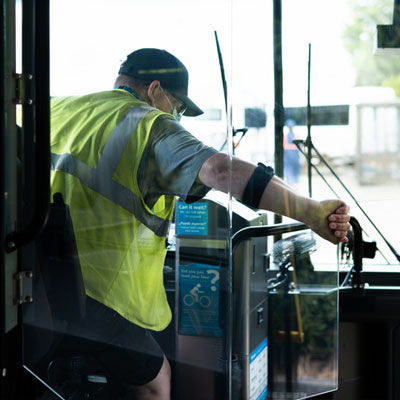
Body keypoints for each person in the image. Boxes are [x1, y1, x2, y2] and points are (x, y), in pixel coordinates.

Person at [50, 48, 350, 400]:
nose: (177, 117)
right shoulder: (147, 122)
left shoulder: (57, 108)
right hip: (97, 293)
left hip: (43, 284)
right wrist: (311, 213)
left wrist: (310, 204)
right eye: (177, 107)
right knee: (156, 381)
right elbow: (220, 170)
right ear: (155, 90)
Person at [283, 118, 301, 188]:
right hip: (288, 157)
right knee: (289, 172)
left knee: (295, 172)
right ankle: (291, 185)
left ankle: (294, 185)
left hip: (294, 157)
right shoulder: (285, 136)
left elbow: (299, 147)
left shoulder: (296, 136)